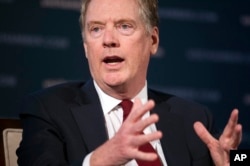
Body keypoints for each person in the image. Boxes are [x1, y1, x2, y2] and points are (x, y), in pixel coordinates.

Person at [17, 0, 242, 165]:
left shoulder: (193, 118)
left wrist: (236, 161)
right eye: (96, 29)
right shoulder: (48, 110)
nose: (108, 40)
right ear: (86, 47)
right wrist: (100, 160)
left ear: (153, 40)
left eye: (124, 26)